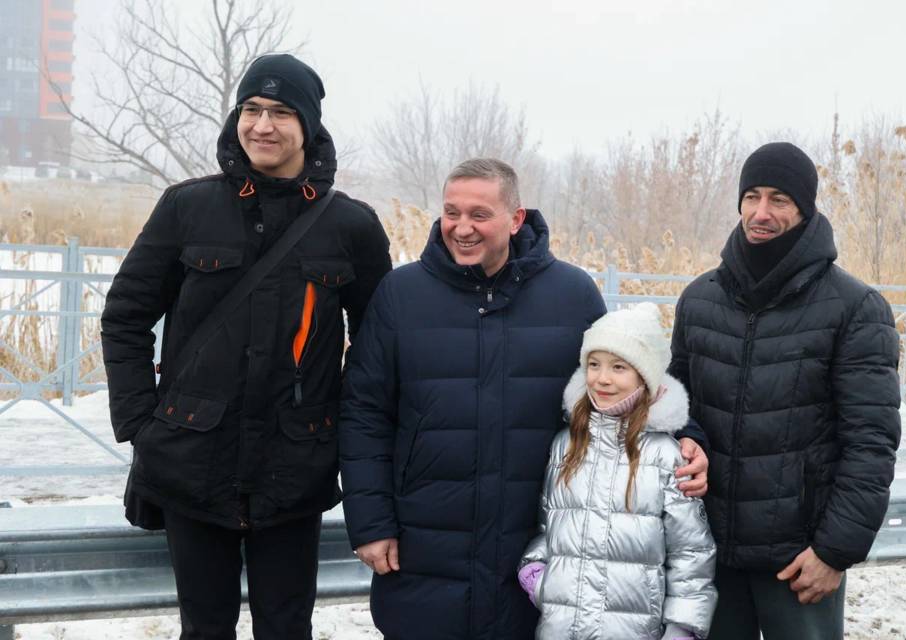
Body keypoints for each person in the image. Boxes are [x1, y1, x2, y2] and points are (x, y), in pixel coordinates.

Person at [338, 158, 710, 640]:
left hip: (534, 548)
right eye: (452, 212)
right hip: (424, 544)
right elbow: (364, 411)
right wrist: (370, 522)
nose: (462, 228)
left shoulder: (571, 294)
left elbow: (627, 384)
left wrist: (688, 435)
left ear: (515, 219)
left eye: (479, 214)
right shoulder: (400, 294)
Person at [100, 53, 392, 639]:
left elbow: (377, 345)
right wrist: (139, 423)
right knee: (204, 629)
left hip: (295, 467)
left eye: (281, 112)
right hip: (190, 459)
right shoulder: (187, 207)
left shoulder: (351, 226)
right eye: (251, 109)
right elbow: (125, 317)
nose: (262, 125)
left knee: (286, 628)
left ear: (308, 124)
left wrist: (336, 427)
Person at [668, 142, 901, 640]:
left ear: (805, 208)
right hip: (709, 554)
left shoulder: (856, 307)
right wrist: (688, 437)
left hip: (799, 560)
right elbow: (675, 405)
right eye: (752, 196)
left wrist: (834, 551)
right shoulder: (700, 300)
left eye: (779, 199)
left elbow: (871, 443)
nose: (761, 212)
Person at [518, 303, 717, 640]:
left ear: (644, 376)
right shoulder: (566, 445)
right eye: (594, 364)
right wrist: (536, 572)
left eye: (619, 367)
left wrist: (683, 627)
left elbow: (692, 552)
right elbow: (549, 523)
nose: (603, 378)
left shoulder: (666, 455)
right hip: (562, 628)